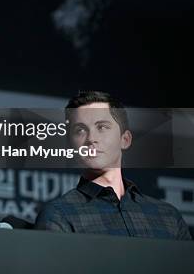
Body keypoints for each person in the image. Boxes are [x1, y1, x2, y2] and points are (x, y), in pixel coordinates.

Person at [35, 90, 191, 240]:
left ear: (125, 139)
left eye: (102, 127)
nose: (91, 138)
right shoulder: (58, 214)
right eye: (80, 130)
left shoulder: (168, 216)